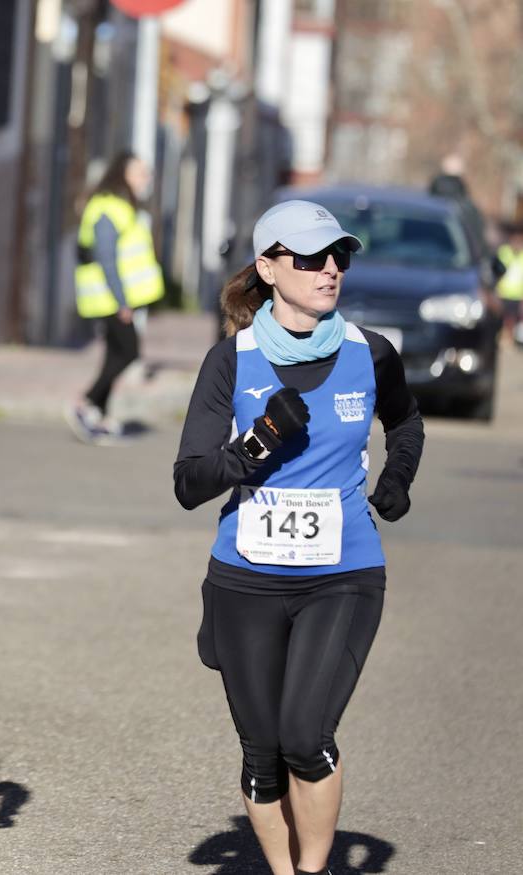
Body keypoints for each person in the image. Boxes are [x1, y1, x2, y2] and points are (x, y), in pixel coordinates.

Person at [174, 200, 424, 875]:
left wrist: (398, 476)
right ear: (268, 266)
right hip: (246, 577)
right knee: (262, 753)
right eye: (311, 257)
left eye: (339, 255)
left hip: (342, 572)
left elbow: (405, 422)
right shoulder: (232, 359)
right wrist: (257, 444)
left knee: (305, 737)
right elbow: (190, 481)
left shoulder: (371, 352)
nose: (330, 269)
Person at [70, 151, 164, 443]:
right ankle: (85, 403)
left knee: (114, 353)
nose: (145, 178)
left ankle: (98, 412)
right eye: (139, 172)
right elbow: (107, 258)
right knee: (129, 351)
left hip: (116, 298)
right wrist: (121, 300)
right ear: (121, 174)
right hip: (108, 299)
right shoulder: (109, 209)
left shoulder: (123, 207)